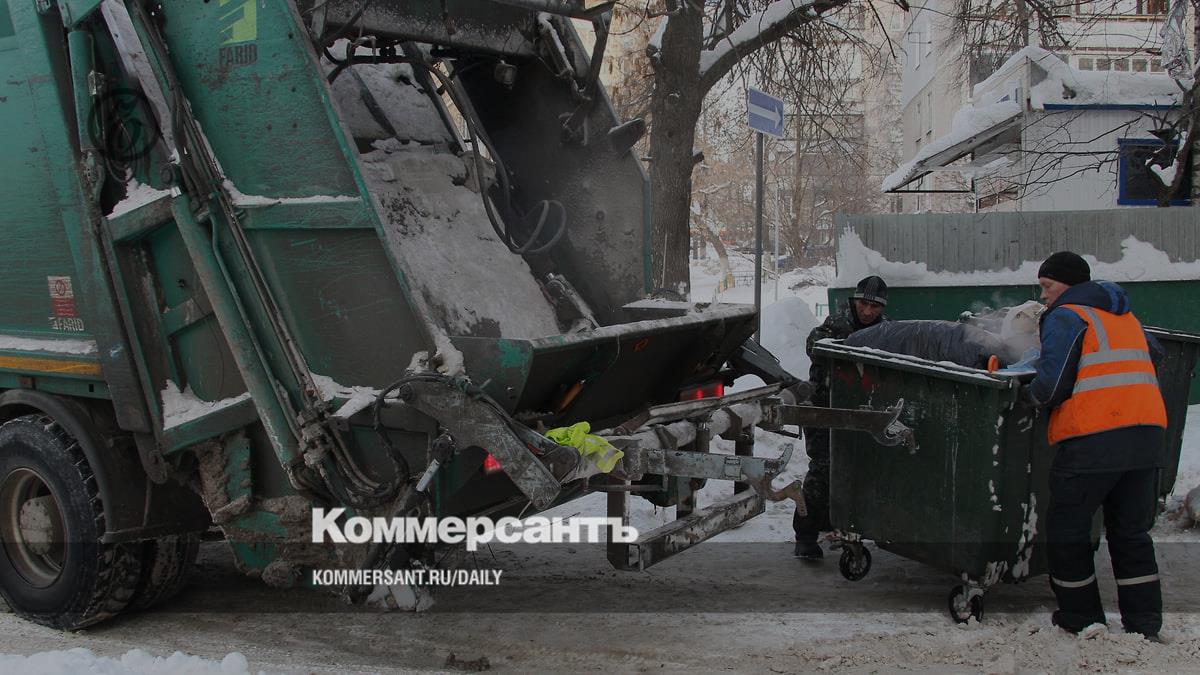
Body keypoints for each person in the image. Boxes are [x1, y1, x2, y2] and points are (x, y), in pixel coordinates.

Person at [1029, 251, 1166, 642]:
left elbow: (1052, 386)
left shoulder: (1068, 315)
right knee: (1131, 534)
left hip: (1094, 439)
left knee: (1067, 531)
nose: (1044, 297)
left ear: (1068, 285)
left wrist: (1032, 397)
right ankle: (1144, 625)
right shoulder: (1124, 315)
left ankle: (1081, 619)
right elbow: (1152, 356)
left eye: (1047, 287)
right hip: (1147, 436)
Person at [794, 275, 888, 559]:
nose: (868, 311)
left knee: (853, 472)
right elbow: (813, 346)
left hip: (859, 414)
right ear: (855, 300)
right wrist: (846, 346)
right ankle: (805, 536)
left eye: (875, 306)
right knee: (823, 471)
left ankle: (830, 520)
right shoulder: (835, 324)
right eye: (864, 304)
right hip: (825, 411)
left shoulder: (886, 331)